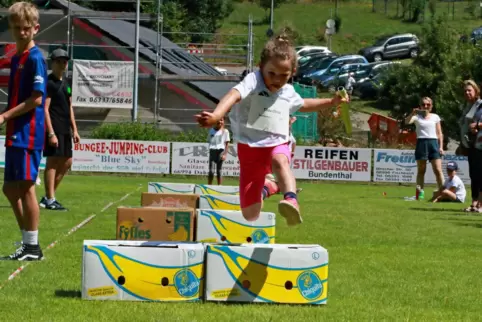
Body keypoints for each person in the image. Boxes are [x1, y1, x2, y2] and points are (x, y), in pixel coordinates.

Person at [196, 33, 347, 226]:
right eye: (271, 73)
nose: (276, 80)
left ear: (292, 72)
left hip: (277, 142)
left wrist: (331, 101)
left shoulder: (288, 92)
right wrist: (217, 115)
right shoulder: (253, 80)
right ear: (261, 68)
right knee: (250, 214)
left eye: (283, 76)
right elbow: (234, 94)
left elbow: (305, 104)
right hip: (249, 147)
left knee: (279, 160)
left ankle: (291, 199)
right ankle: (270, 186)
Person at [0, 2, 48, 261]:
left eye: (26, 28)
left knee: (27, 186)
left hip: (28, 132)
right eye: (17, 28)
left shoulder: (36, 58)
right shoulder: (16, 57)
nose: (21, 32)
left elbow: (37, 99)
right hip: (14, 130)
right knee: (9, 188)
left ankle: (33, 246)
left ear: (35, 28)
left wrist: (5, 115)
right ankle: (27, 242)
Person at [39, 48, 80, 211]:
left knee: (67, 161)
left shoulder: (66, 83)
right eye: (60, 61)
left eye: (65, 61)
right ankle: (50, 199)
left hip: (65, 128)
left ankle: (49, 197)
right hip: (53, 128)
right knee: (53, 162)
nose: (63, 64)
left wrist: (75, 130)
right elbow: (45, 109)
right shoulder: (48, 82)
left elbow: (70, 107)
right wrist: (50, 133)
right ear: (53, 62)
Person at [405, 97, 444, 200]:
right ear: (420, 106)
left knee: (438, 170)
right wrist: (412, 113)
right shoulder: (417, 117)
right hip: (421, 143)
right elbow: (407, 122)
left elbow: (439, 133)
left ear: (431, 106)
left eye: (428, 104)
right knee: (421, 170)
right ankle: (419, 194)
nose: (426, 106)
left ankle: (443, 192)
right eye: (423, 104)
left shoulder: (435, 117)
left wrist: (441, 147)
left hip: (434, 143)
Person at [458, 80, 482, 212]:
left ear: (476, 91)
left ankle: (481, 205)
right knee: (473, 174)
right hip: (470, 145)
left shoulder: (481, 105)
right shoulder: (467, 106)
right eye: (465, 91)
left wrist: (478, 125)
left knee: (481, 174)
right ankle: (474, 203)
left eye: (470, 90)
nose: (467, 93)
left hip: (480, 144)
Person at [207, 117, 230, 185]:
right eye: (218, 120)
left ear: (223, 121)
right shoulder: (211, 130)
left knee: (219, 171)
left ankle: (219, 186)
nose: (219, 122)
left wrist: (225, 154)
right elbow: (209, 141)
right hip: (212, 151)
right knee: (211, 171)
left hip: (220, 151)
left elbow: (227, 143)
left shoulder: (225, 131)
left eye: (221, 120)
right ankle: (209, 186)